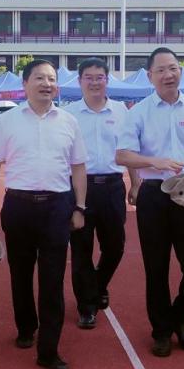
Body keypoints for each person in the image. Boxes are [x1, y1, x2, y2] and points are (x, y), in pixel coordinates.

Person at [0, 59, 87, 369]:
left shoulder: (69, 121)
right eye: (39, 78)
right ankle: (26, 326)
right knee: (21, 275)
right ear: (25, 84)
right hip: (19, 206)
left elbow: (79, 167)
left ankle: (49, 350)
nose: (46, 84)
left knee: (52, 280)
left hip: (57, 207)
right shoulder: (8, 121)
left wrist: (80, 207)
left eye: (51, 79)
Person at [117, 47, 184, 357]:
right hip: (154, 193)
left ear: (180, 71)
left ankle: (179, 317)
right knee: (156, 268)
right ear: (150, 76)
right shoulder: (138, 111)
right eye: (161, 70)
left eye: (173, 68)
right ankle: (162, 331)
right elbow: (122, 155)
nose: (168, 74)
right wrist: (156, 161)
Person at [64, 57, 139, 329]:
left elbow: (129, 151)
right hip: (79, 189)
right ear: (80, 81)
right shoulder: (68, 114)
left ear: (107, 80)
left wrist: (136, 183)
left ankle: (97, 284)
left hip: (112, 187)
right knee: (81, 251)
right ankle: (87, 307)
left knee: (115, 246)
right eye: (89, 77)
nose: (95, 82)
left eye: (100, 77)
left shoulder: (121, 112)